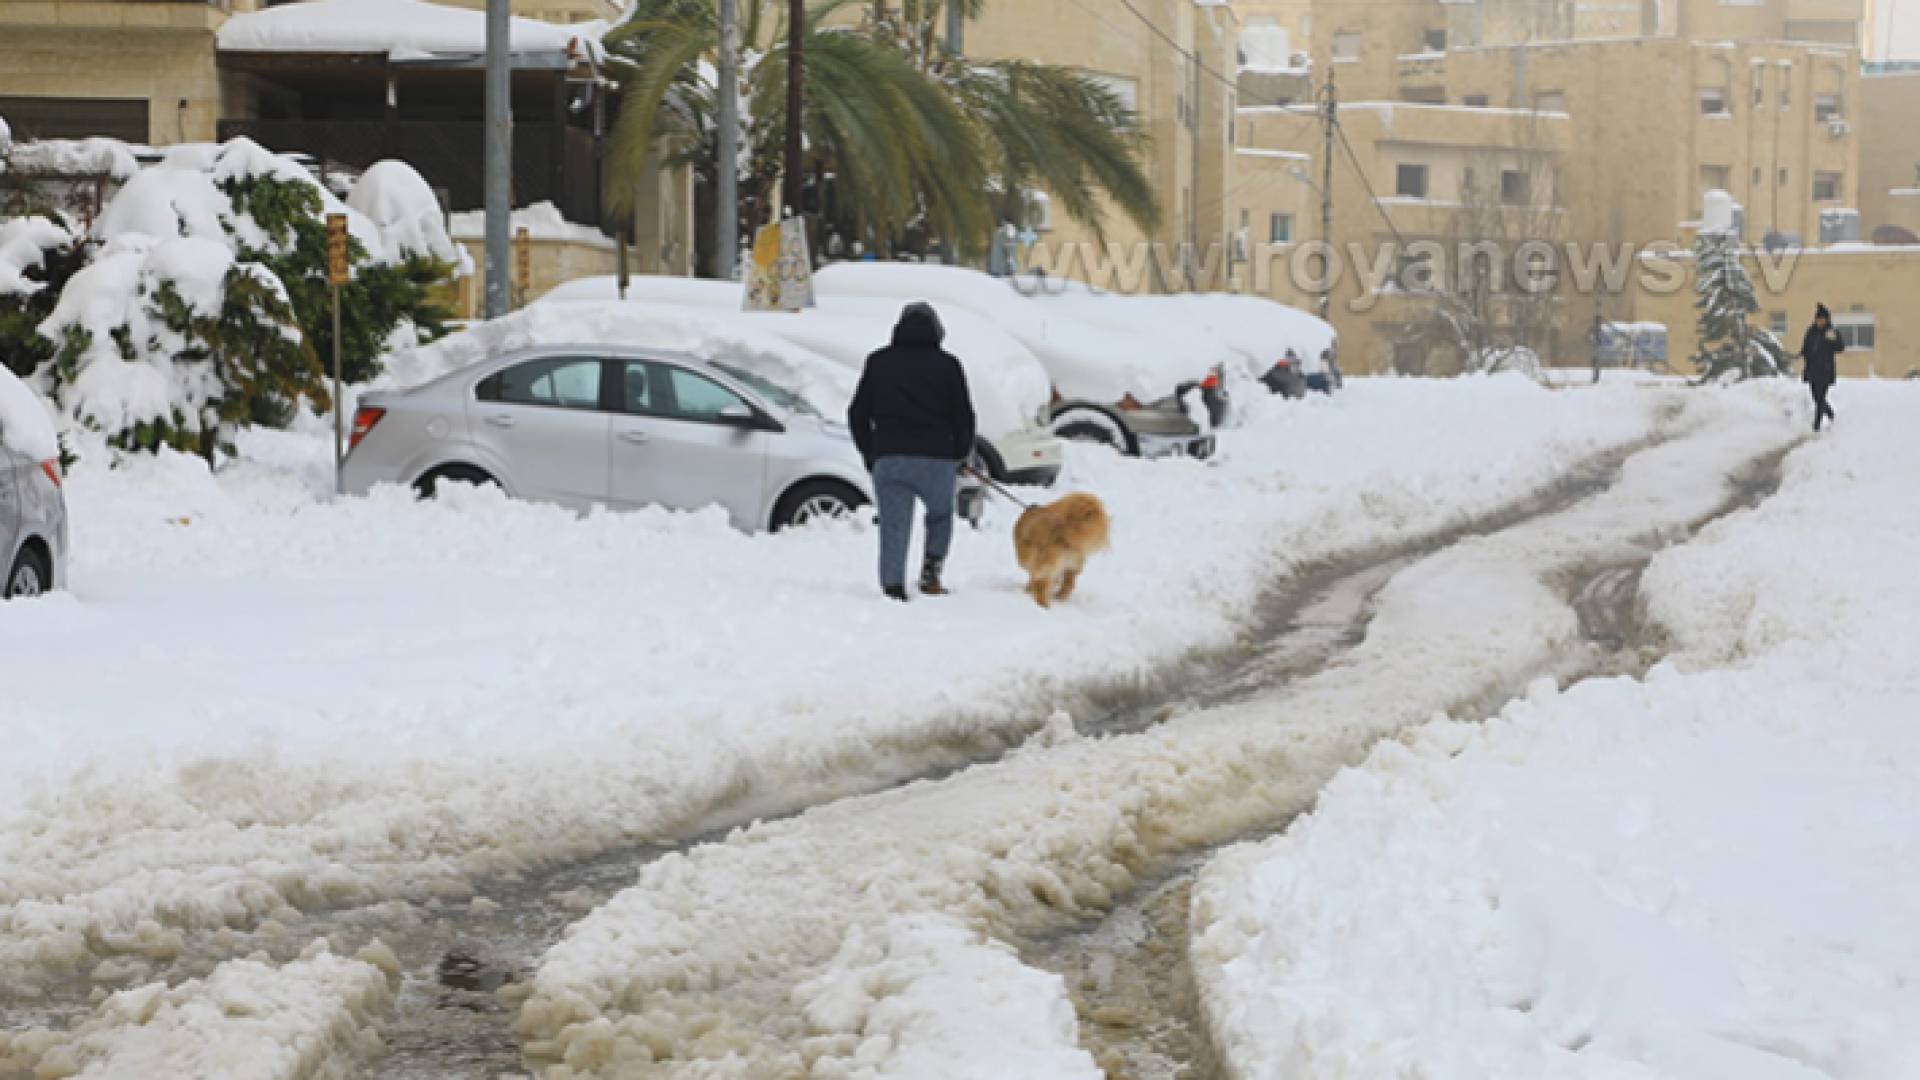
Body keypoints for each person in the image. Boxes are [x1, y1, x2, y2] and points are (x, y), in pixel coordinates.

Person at [848, 303, 977, 602]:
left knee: (894, 523)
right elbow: (964, 416)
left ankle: (893, 586)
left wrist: (871, 452)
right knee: (941, 515)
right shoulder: (948, 365)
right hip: (936, 459)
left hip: (890, 458)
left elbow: (857, 413)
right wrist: (958, 454)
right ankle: (931, 570)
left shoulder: (878, 362)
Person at [1801, 303, 1844, 432]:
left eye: (1822, 319)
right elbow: (1806, 347)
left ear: (1827, 320)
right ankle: (1830, 413)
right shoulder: (1811, 331)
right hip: (1812, 369)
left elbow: (1840, 348)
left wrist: (1832, 341)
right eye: (1818, 319)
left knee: (1820, 398)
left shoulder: (1831, 332)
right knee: (1816, 397)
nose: (1819, 321)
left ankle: (1816, 426)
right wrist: (1803, 353)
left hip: (1825, 369)